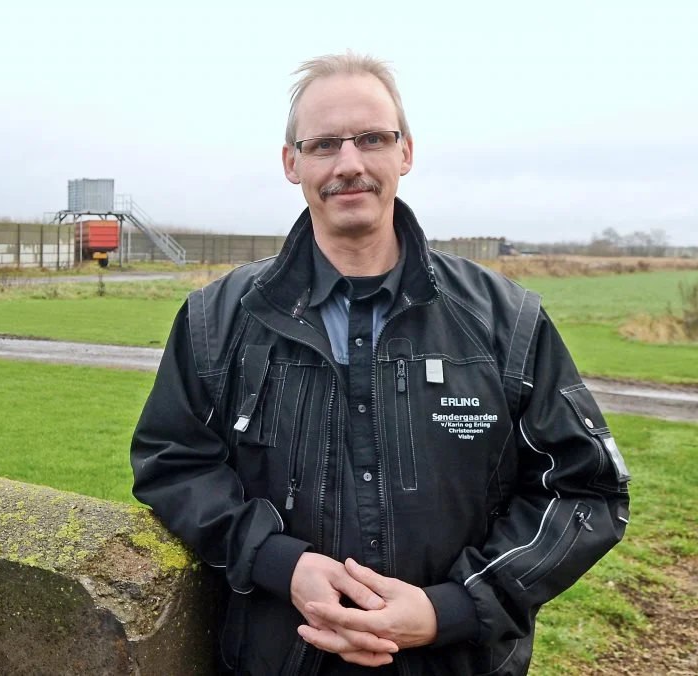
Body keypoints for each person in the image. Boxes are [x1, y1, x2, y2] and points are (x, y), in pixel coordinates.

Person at [129, 52, 630, 676]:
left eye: (371, 139)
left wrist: (453, 608)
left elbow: (586, 489)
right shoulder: (218, 320)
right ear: (292, 162)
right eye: (323, 144)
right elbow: (171, 463)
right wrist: (277, 561)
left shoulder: (505, 320)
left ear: (406, 153)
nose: (350, 164)